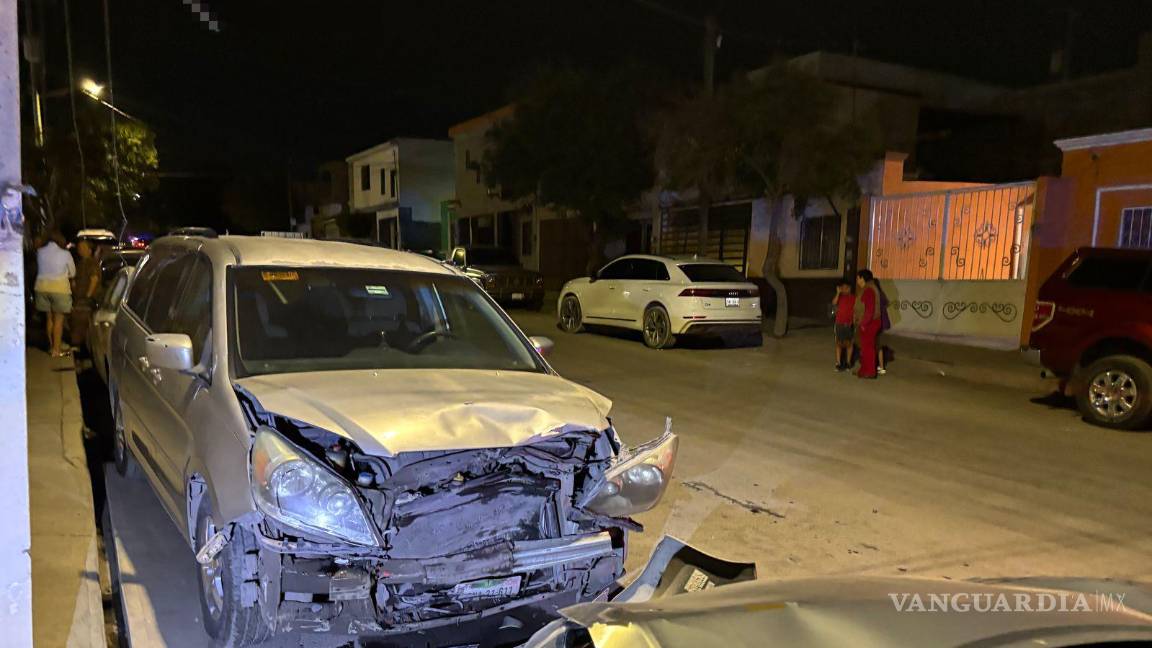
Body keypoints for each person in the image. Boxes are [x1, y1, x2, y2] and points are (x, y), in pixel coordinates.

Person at [34, 231, 76, 357]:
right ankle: (56, 350)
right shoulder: (65, 254)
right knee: (58, 320)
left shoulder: (40, 252)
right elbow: (73, 273)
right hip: (59, 288)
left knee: (49, 318)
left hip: (41, 287)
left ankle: (51, 346)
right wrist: (65, 275)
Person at [70, 239, 101, 348]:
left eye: (83, 248)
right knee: (78, 321)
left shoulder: (91, 263)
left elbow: (94, 279)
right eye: (79, 248)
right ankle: (78, 345)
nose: (80, 250)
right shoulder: (80, 262)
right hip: (79, 297)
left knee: (82, 322)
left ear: (89, 250)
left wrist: (88, 295)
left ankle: (80, 345)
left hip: (86, 298)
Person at [853, 269, 882, 379]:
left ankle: (869, 371)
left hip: (870, 323)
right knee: (865, 347)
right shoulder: (868, 288)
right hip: (869, 321)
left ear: (862, 278)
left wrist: (864, 323)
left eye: (857, 278)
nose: (856, 280)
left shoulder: (869, 290)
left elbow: (870, 310)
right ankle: (864, 370)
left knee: (867, 348)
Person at [831, 280, 855, 371]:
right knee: (839, 344)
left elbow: (856, 310)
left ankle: (848, 363)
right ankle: (838, 363)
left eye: (847, 288)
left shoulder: (854, 298)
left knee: (849, 344)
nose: (845, 290)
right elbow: (833, 303)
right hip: (839, 324)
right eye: (843, 288)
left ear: (850, 288)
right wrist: (838, 293)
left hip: (849, 324)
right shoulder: (839, 297)